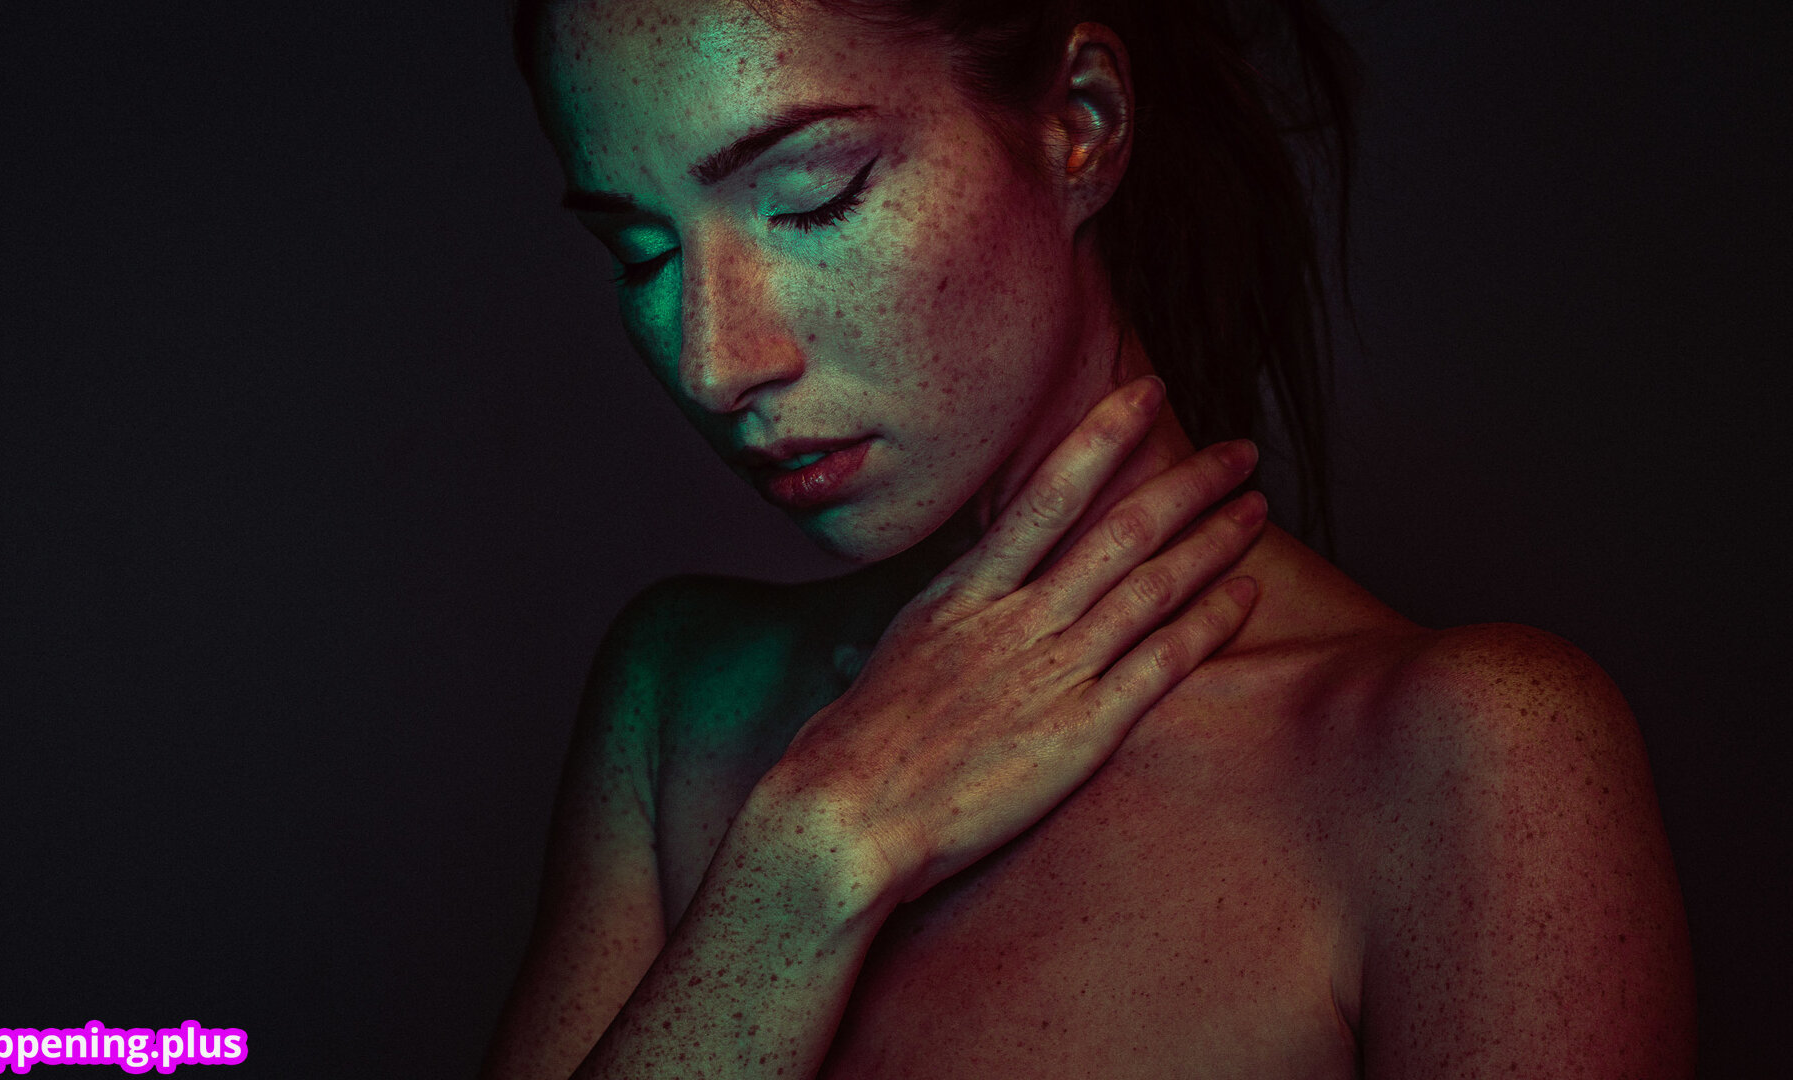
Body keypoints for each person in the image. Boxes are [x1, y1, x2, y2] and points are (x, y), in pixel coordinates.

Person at [483, 0, 1695, 1075]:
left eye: (812, 196)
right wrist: (803, 866)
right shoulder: (677, 705)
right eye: (640, 252)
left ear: (1083, 122)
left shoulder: (1474, 760)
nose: (713, 361)